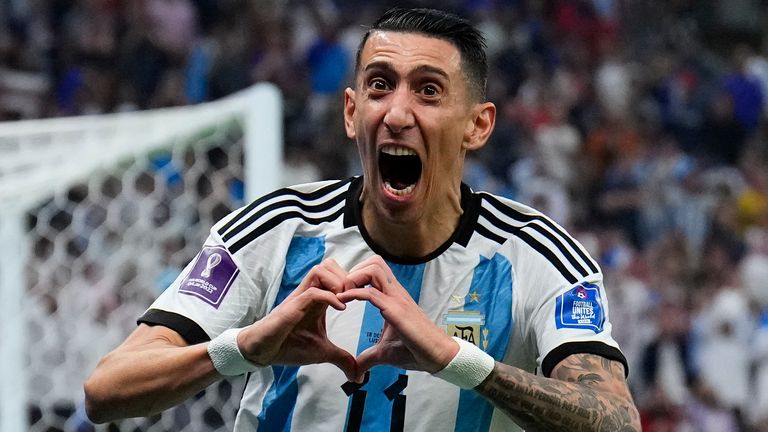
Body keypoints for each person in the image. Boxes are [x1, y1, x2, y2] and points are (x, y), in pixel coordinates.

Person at [84, 7, 640, 431]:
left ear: (478, 125)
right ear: (352, 112)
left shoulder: (537, 255)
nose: (397, 114)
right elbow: (106, 389)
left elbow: (616, 420)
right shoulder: (278, 230)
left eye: (428, 90)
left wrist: (455, 359)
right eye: (379, 85)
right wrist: (245, 346)